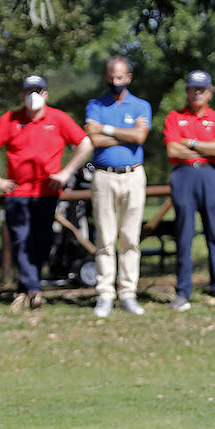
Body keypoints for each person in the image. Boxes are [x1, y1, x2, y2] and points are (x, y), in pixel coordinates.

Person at [0, 74, 93, 311]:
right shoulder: (11, 119)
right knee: (21, 241)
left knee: (42, 242)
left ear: (46, 94)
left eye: (38, 91)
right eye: (29, 91)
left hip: (47, 193)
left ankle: (26, 287)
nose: (33, 96)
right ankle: (33, 289)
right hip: (18, 193)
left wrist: (65, 173)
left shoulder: (58, 119)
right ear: (22, 95)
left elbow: (85, 144)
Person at [84, 56, 151, 317]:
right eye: (111, 77)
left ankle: (128, 292)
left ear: (129, 78)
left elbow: (140, 137)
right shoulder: (95, 104)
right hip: (104, 177)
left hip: (133, 175)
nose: (115, 81)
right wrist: (125, 136)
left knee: (130, 237)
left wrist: (108, 130)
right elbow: (93, 137)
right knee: (105, 237)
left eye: (120, 77)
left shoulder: (141, 105)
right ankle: (104, 293)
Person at [163, 70, 215, 311]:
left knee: (214, 232)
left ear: (209, 92)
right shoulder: (174, 117)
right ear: (186, 91)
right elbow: (173, 151)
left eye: (201, 89)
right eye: (193, 89)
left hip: (209, 175)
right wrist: (208, 148)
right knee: (184, 235)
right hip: (183, 175)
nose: (197, 93)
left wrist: (192, 143)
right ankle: (183, 292)